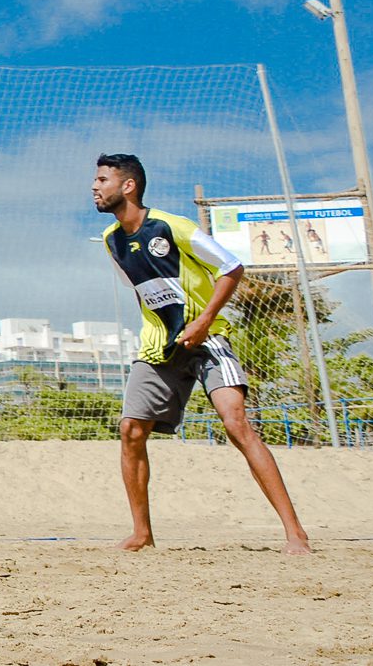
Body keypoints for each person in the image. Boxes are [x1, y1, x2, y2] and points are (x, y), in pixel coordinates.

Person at [93, 153, 310, 554]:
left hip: (208, 339)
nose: (94, 187)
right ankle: (142, 533)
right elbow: (142, 290)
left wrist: (204, 319)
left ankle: (295, 533)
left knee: (236, 423)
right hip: (160, 346)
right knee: (130, 431)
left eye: (103, 179)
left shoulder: (174, 227)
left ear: (128, 186)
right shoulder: (111, 241)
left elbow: (231, 266)